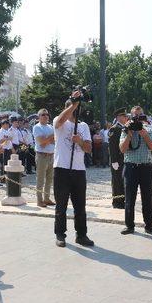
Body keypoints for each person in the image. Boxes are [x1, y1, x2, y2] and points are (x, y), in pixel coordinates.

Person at [52, 90, 94, 248]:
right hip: (62, 168)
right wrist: (73, 102)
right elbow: (59, 121)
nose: (75, 109)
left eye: (77, 107)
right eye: (72, 107)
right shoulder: (60, 121)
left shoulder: (83, 126)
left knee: (80, 206)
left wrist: (80, 141)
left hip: (78, 170)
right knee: (61, 205)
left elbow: (89, 149)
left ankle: (81, 235)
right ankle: (60, 234)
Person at [119, 106, 152, 235]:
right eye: (134, 116)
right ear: (130, 117)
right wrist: (129, 134)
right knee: (130, 198)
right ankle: (129, 226)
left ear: (143, 116)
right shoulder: (126, 130)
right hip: (131, 167)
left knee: (147, 198)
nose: (137, 118)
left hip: (146, 167)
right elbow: (122, 149)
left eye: (139, 115)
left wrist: (144, 134)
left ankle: (149, 225)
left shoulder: (149, 130)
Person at [33, 108, 56, 207]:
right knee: (41, 179)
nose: (46, 116)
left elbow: (55, 140)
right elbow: (41, 142)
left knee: (49, 179)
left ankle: (46, 198)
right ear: (39, 117)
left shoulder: (51, 127)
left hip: (51, 155)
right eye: (43, 114)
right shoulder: (37, 127)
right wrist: (50, 138)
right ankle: (39, 200)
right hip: (42, 155)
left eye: (47, 114)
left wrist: (47, 139)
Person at [109, 108, 128, 209]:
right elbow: (112, 147)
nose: (125, 118)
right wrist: (114, 161)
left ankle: (122, 200)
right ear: (118, 117)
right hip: (117, 160)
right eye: (123, 116)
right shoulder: (114, 128)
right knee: (117, 181)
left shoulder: (124, 128)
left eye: (125, 116)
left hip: (124, 159)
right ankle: (117, 202)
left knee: (122, 181)